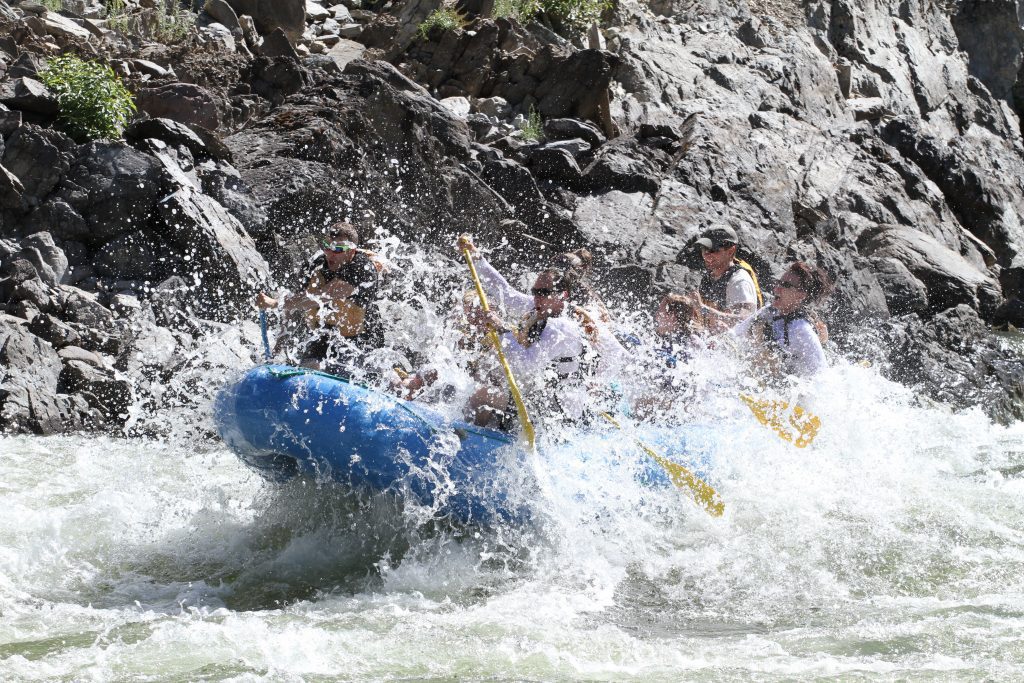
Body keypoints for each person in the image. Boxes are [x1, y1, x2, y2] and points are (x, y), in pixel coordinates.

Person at [458, 235, 627, 426]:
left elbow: (525, 364)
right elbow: (506, 293)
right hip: (538, 398)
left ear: (562, 295)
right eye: (535, 291)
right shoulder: (539, 308)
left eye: (544, 292)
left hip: (557, 413)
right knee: (490, 380)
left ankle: (464, 434)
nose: (537, 297)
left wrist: (595, 384)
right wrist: (477, 258)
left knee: (485, 395)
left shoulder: (564, 327)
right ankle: (477, 429)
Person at [256, 222, 384, 376]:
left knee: (354, 373)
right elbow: (295, 304)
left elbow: (323, 295)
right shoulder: (315, 265)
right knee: (309, 369)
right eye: (326, 246)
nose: (330, 253)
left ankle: (400, 380)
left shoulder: (362, 268)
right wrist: (278, 347)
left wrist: (276, 303)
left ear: (351, 251)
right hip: (326, 336)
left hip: (362, 340)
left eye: (337, 249)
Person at [732, 261, 833, 378]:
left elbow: (822, 378)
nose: (776, 289)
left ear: (801, 295)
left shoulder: (802, 331)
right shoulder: (769, 312)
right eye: (778, 283)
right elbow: (734, 335)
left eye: (785, 285)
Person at [692, 225, 763, 333]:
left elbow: (743, 320)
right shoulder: (708, 278)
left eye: (713, 250)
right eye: (704, 249)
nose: (706, 255)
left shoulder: (739, 281)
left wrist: (702, 308)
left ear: (730, 251)